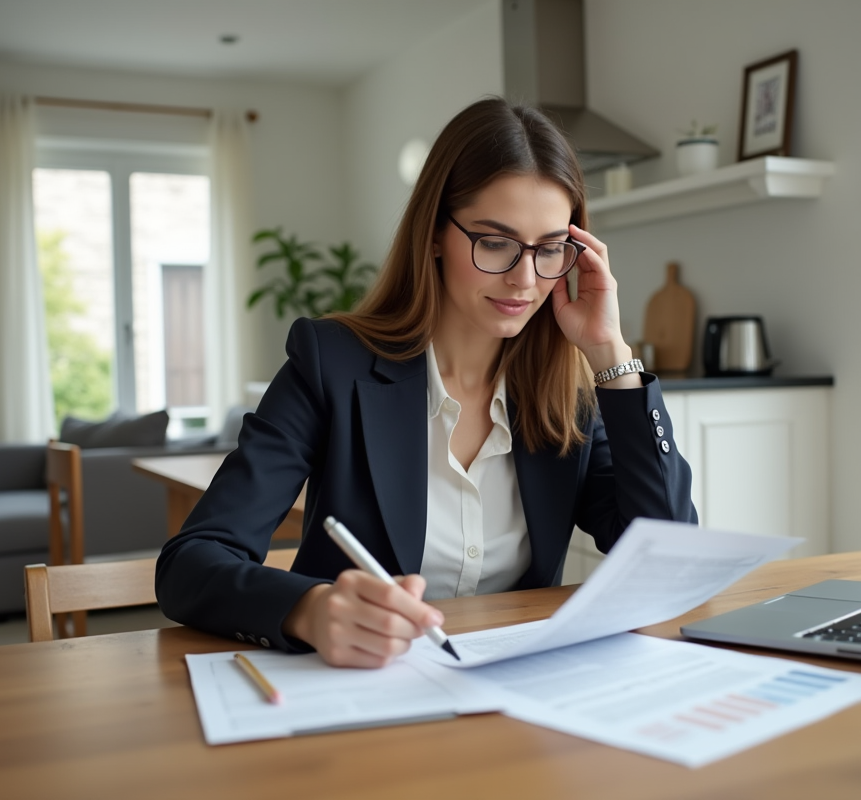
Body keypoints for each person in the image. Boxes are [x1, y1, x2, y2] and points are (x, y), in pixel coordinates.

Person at [156, 97, 697, 668]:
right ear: (435, 232)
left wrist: (611, 353)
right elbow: (191, 562)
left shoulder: (570, 393)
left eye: (549, 249)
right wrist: (309, 609)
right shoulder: (331, 364)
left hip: (518, 690)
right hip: (359, 691)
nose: (524, 278)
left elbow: (668, 552)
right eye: (495, 242)